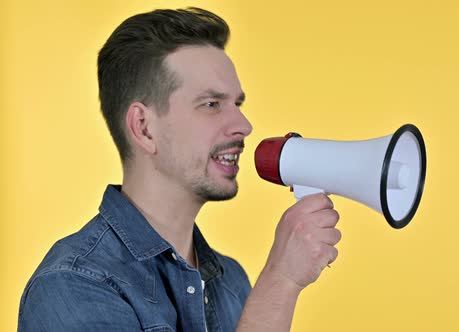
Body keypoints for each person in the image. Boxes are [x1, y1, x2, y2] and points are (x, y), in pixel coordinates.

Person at [17, 7, 341, 332]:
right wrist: (280, 281)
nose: (243, 125)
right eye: (211, 104)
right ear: (144, 128)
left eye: (237, 104)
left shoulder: (231, 284)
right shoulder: (73, 286)